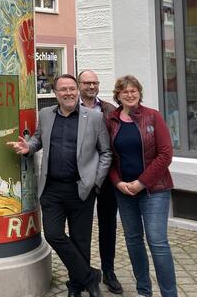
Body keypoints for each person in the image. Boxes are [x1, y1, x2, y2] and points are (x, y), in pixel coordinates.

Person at [8, 74, 112, 297]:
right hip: (52, 189)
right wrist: (30, 147)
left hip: (81, 188)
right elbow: (38, 139)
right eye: (63, 89)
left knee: (81, 240)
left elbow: (105, 152)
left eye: (72, 88)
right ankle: (90, 276)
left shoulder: (93, 117)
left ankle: (75, 286)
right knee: (54, 234)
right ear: (55, 93)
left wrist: (96, 182)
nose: (69, 93)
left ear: (77, 90)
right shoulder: (46, 114)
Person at [105, 75, 177, 297]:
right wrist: (118, 183)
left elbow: (165, 154)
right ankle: (143, 291)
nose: (129, 94)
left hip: (154, 191)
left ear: (139, 92)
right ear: (118, 95)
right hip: (125, 192)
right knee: (134, 241)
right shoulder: (111, 120)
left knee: (157, 242)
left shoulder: (152, 117)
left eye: (133, 90)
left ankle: (169, 293)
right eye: (124, 91)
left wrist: (141, 182)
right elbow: (108, 156)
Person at [78, 70, 122, 294]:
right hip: (79, 177)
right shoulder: (71, 108)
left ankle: (109, 271)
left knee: (108, 226)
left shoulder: (109, 110)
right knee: (81, 229)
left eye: (94, 83)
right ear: (79, 84)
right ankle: (83, 274)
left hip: (105, 178)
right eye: (87, 82)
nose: (91, 86)